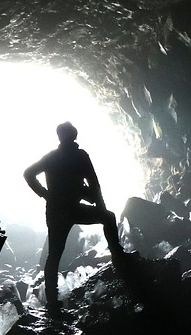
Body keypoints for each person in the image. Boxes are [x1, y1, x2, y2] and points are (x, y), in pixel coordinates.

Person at [24, 121, 126, 310]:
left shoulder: (51, 157)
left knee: (54, 255)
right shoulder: (80, 156)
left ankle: (52, 302)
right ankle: (119, 257)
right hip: (71, 209)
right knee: (108, 218)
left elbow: (28, 173)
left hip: (56, 211)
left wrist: (45, 194)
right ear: (74, 136)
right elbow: (94, 184)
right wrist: (100, 206)